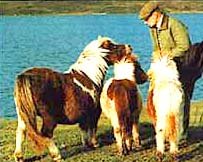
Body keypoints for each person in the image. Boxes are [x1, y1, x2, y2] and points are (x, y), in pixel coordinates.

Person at [139, 1, 192, 140]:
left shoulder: (175, 25)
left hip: (183, 66)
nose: (145, 22)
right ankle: (163, 130)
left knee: (181, 100)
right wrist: (156, 55)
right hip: (164, 67)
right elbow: (157, 47)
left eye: (146, 19)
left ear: (156, 14)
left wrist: (166, 54)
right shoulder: (153, 27)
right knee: (157, 98)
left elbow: (185, 46)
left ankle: (181, 135)